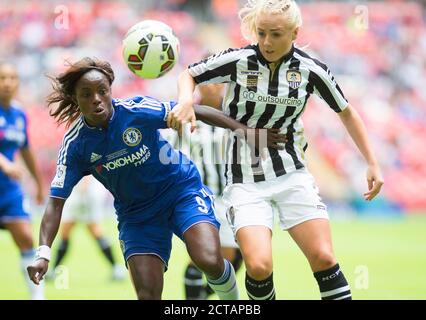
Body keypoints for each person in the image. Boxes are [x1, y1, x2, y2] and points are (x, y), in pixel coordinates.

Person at [170, 0, 384, 300]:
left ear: (295, 33)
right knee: (258, 266)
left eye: (276, 34)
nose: (267, 42)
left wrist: (372, 163)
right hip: (245, 181)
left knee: (323, 257)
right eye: (261, 33)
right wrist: (185, 101)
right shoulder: (238, 59)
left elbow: (347, 112)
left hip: (292, 175)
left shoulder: (311, 70)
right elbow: (188, 74)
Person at [26, 57, 285, 300]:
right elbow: (55, 202)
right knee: (147, 294)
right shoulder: (75, 145)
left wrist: (247, 132)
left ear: (110, 90)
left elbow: (194, 110)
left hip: (180, 193)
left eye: (102, 91)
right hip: (137, 215)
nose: (97, 99)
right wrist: (43, 254)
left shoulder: (136, 111)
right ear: (75, 98)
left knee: (209, 259)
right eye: (87, 94)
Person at [182, 83, 243, 300]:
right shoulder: (187, 114)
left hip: (231, 197)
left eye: (220, 81)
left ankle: (203, 296)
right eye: (210, 81)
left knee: (233, 258)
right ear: (199, 86)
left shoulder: (237, 113)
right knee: (202, 256)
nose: (215, 87)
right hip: (201, 197)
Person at [0, 62, 45, 300]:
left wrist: (38, 183)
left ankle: (37, 296)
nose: (7, 83)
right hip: (5, 175)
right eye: (2, 78)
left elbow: (26, 150)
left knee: (27, 238)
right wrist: (5, 163)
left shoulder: (19, 114)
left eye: (12, 78)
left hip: (8, 191)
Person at [46, 176, 125, 281]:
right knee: (87, 231)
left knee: (73, 231)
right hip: (86, 193)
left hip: (83, 194)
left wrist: (84, 187)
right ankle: (117, 268)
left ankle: (53, 270)